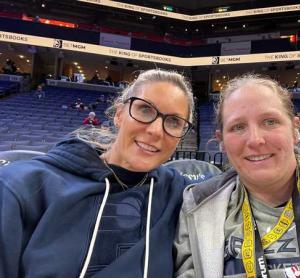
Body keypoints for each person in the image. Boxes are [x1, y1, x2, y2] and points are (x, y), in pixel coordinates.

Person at [0, 69, 197, 277]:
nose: (156, 130)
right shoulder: (19, 185)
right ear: (119, 115)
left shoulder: (179, 194)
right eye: (145, 110)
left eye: (174, 122)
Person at [174, 74, 300, 278]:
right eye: (238, 127)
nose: (255, 140)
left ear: (294, 129)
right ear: (221, 141)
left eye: (270, 122)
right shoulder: (197, 208)